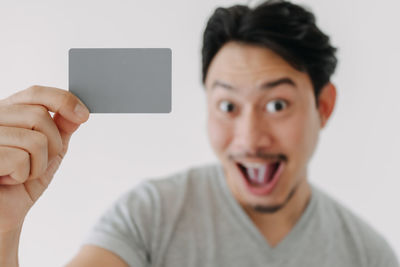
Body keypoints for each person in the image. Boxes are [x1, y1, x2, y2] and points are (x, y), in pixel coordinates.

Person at [0, 0, 398, 266]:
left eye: (277, 105)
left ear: (323, 107)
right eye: (228, 106)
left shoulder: (368, 255)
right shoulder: (150, 216)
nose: (249, 137)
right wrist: (4, 231)